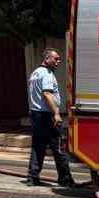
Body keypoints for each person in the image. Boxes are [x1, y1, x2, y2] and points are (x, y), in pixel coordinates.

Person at [25, 48, 74, 188]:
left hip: (36, 114)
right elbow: (47, 94)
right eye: (56, 59)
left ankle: (32, 177)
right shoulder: (46, 74)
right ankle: (65, 179)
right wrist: (56, 113)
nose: (58, 62)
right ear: (47, 59)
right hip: (47, 115)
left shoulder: (35, 73)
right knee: (59, 146)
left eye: (59, 59)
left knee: (38, 147)